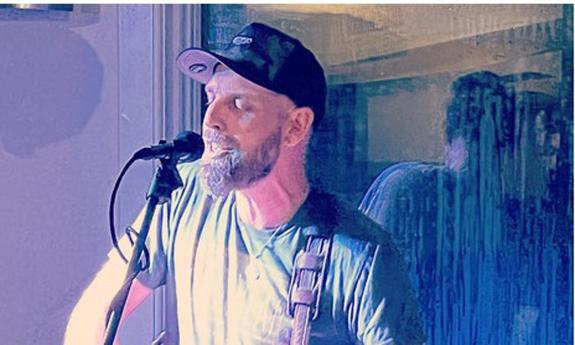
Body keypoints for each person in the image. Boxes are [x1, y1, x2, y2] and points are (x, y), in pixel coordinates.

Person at [65, 22, 425, 345]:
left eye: (238, 103)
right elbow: (97, 309)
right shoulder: (182, 196)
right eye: (211, 97)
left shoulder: (360, 255)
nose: (211, 119)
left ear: (296, 126)